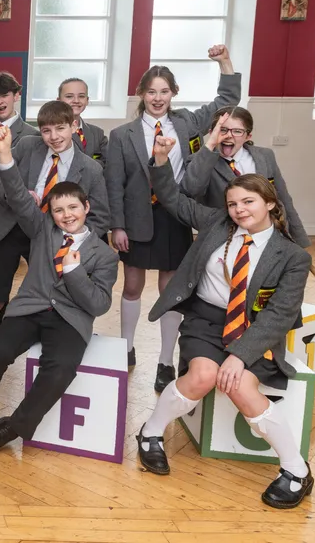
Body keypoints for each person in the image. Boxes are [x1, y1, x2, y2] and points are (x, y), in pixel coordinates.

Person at [136, 134, 315, 510]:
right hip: (205, 318)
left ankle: (296, 470)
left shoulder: (291, 256)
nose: (238, 209)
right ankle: (150, 433)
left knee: (240, 388)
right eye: (233, 203)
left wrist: (239, 355)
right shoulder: (217, 223)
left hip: (255, 328)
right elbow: (171, 198)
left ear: (270, 203)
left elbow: (280, 314)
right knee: (202, 377)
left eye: (248, 201)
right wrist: (160, 159)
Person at [0, 125, 118, 452]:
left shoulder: (103, 255)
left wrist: (75, 271)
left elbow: (98, 305)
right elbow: (19, 197)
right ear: (50, 212)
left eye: (73, 208)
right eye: (59, 209)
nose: (66, 215)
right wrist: (5, 155)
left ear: (86, 208)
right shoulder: (41, 230)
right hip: (30, 309)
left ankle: (11, 428)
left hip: (70, 319)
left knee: (61, 369)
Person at [104, 45, 241, 392]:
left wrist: (225, 62)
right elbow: (114, 184)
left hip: (176, 216)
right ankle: (126, 347)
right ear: (141, 94)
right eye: (151, 91)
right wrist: (116, 225)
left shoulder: (188, 122)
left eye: (164, 91)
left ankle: (165, 360)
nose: (158, 97)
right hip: (136, 220)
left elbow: (227, 100)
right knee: (132, 286)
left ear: (174, 93)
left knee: (171, 291)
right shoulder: (122, 135)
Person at [182, 106, 310, 246]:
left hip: (266, 238)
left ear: (248, 136)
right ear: (212, 132)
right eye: (222, 129)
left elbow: (283, 199)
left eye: (237, 131)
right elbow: (192, 190)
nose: (229, 135)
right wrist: (210, 144)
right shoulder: (200, 161)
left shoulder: (265, 156)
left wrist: (300, 242)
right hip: (223, 239)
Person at [57, 77, 107, 167]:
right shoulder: (51, 133)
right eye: (69, 96)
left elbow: (107, 162)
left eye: (81, 96)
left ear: (87, 100)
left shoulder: (97, 133)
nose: (76, 101)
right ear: (59, 100)